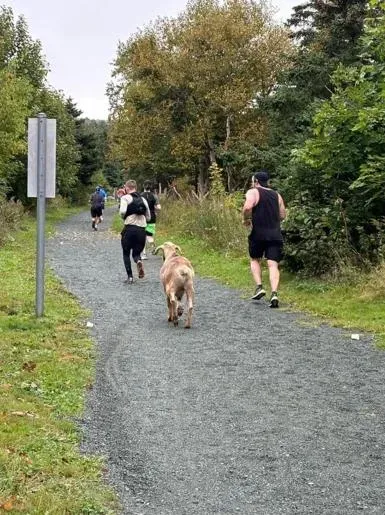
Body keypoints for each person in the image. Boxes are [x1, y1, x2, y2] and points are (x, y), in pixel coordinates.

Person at [242, 170, 286, 308]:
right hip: (275, 234)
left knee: (255, 259)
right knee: (273, 264)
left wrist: (246, 219)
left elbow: (248, 206)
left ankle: (260, 286)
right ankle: (274, 293)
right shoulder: (277, 195)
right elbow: (283, 215)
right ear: (268, 182)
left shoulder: (253, 192)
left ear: (256, 181)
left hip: (258, 233)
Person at [119, 180, 151, 284]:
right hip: (141, 230)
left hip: (129, 229)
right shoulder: (143, 199)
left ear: (126, 188)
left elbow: (123, 211)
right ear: (135, 187)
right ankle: (138, 261)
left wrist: (124, 217)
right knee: (136, 253)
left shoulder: (125, 198)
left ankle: (130, 277)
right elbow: (149, 217)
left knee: (126, 253)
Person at [140, 180, 161, 259]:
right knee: (149, 235)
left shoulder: (140, 196)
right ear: (150, 187)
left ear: (143, 186)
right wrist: (154, 209)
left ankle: (144, 255)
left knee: (142, 236)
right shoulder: (154, 196)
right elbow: (159, 207)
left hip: (142, 217)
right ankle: (153, 246)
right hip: (152, 217)